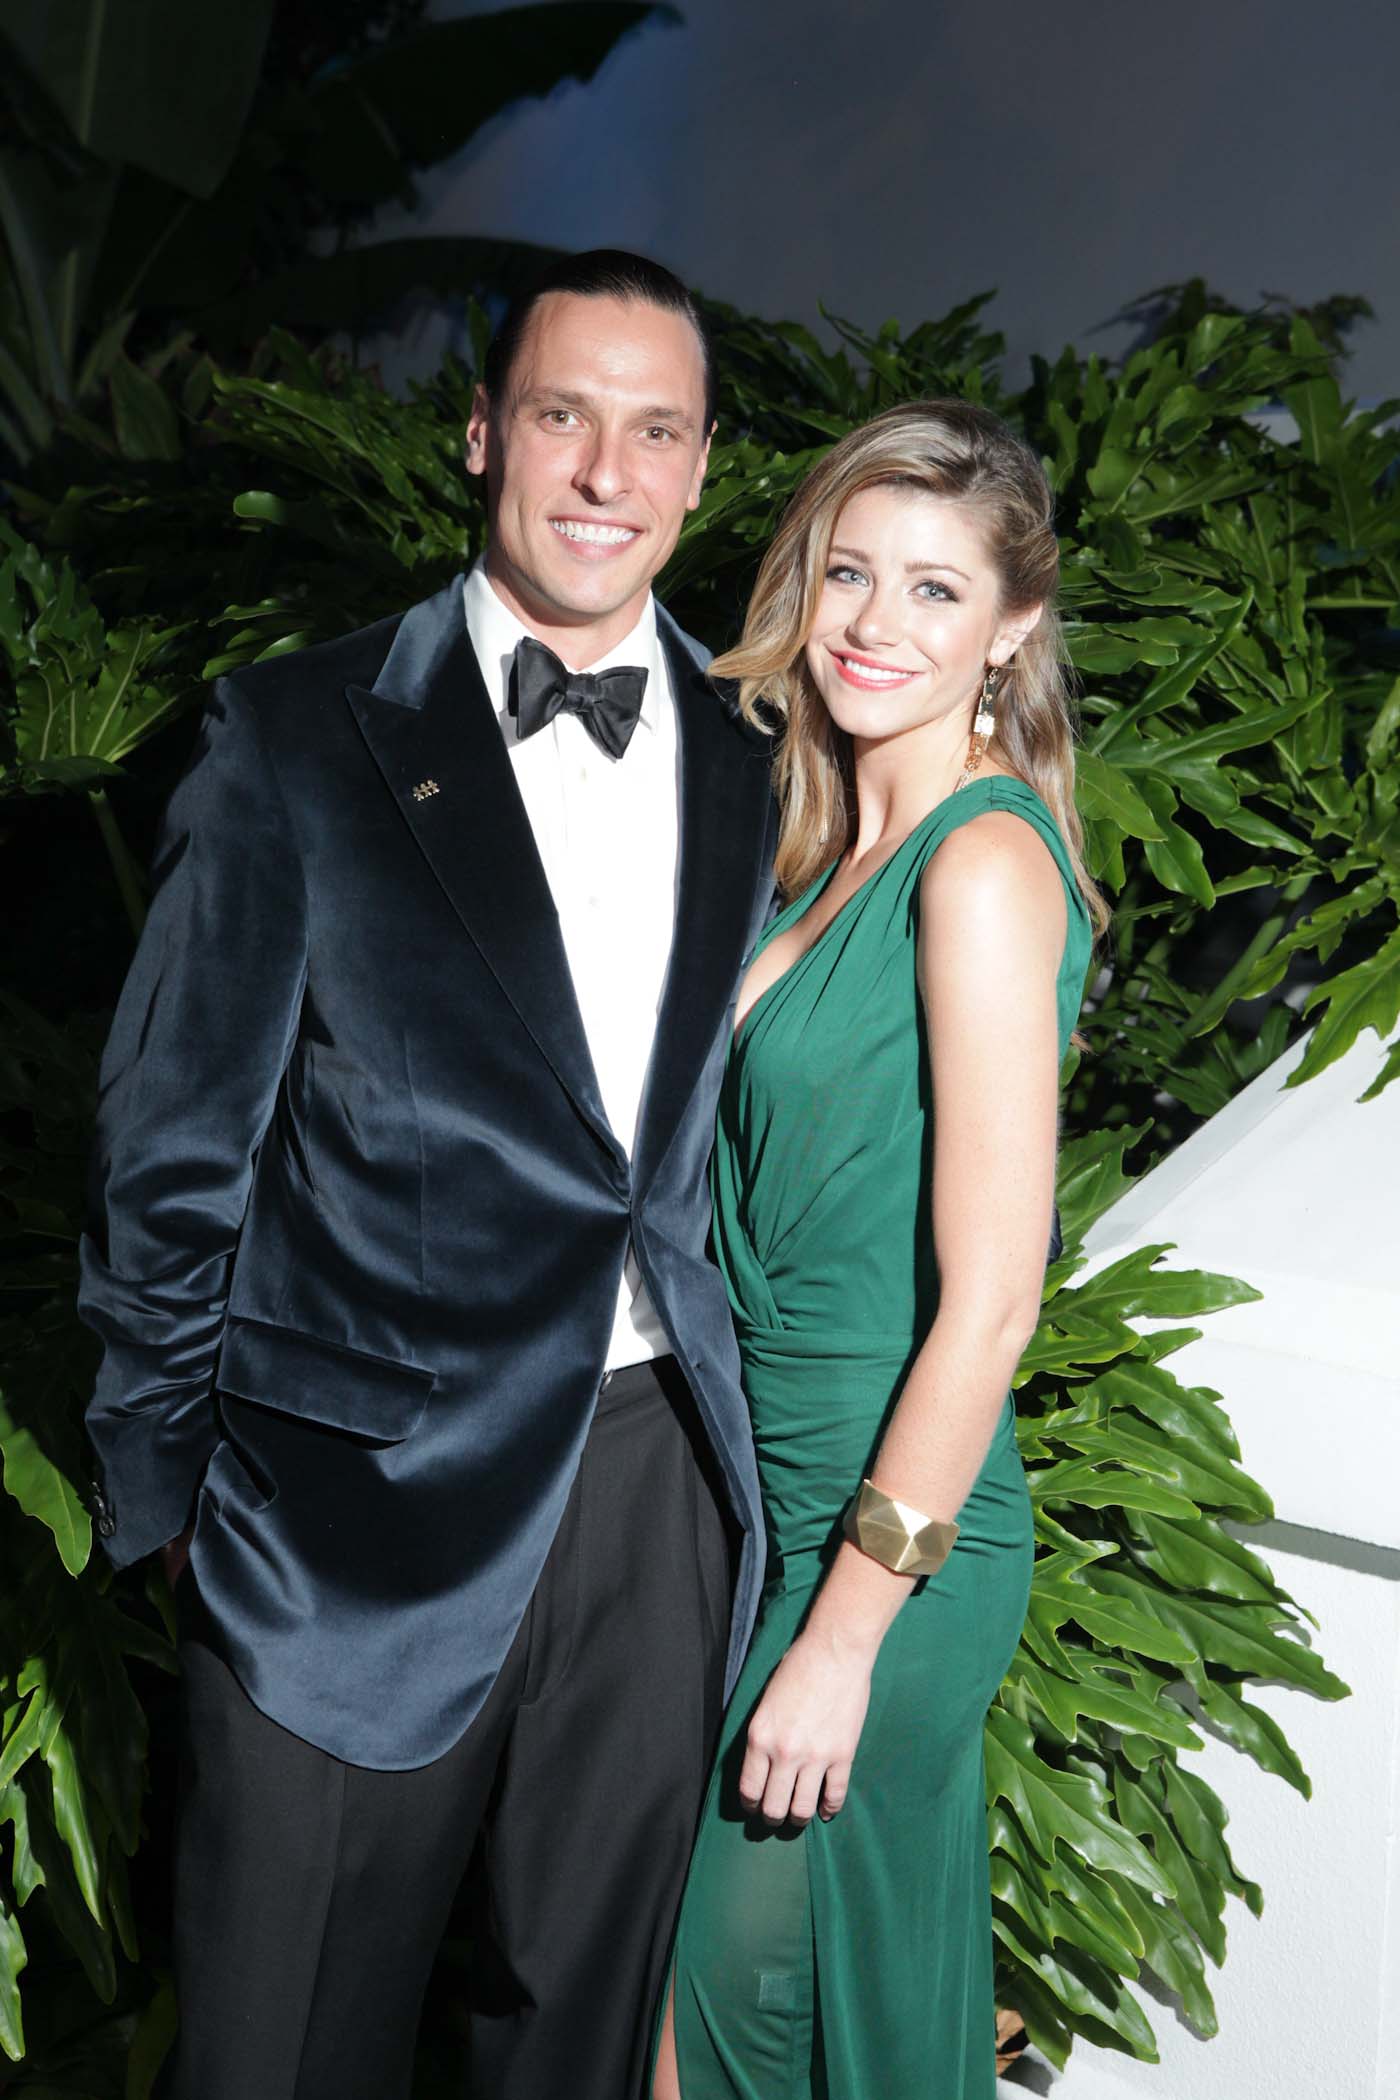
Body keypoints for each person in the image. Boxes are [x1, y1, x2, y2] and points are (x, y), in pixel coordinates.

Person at [78, 249, 779, 2100]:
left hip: (654, 1489)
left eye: (656, 431)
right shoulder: (290, 736)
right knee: (281, 2050)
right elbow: (169, 1151)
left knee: (575, 2049)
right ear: (482, 434)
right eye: (563, 417)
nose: (608, 474)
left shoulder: (762, 753)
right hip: (340, 1518)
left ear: (704, 468)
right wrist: (173, 1501)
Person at [654, 399, 1106, 2099]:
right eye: (849, 572)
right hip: (758, 1502)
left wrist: (842, 1641)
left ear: (1013, 628)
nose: (873, 623)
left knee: (714, 2044)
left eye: (935, 589)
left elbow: (992, 1306)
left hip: (884, 1543)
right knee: (723, 2033)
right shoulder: (818, 855)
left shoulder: (977, 864)